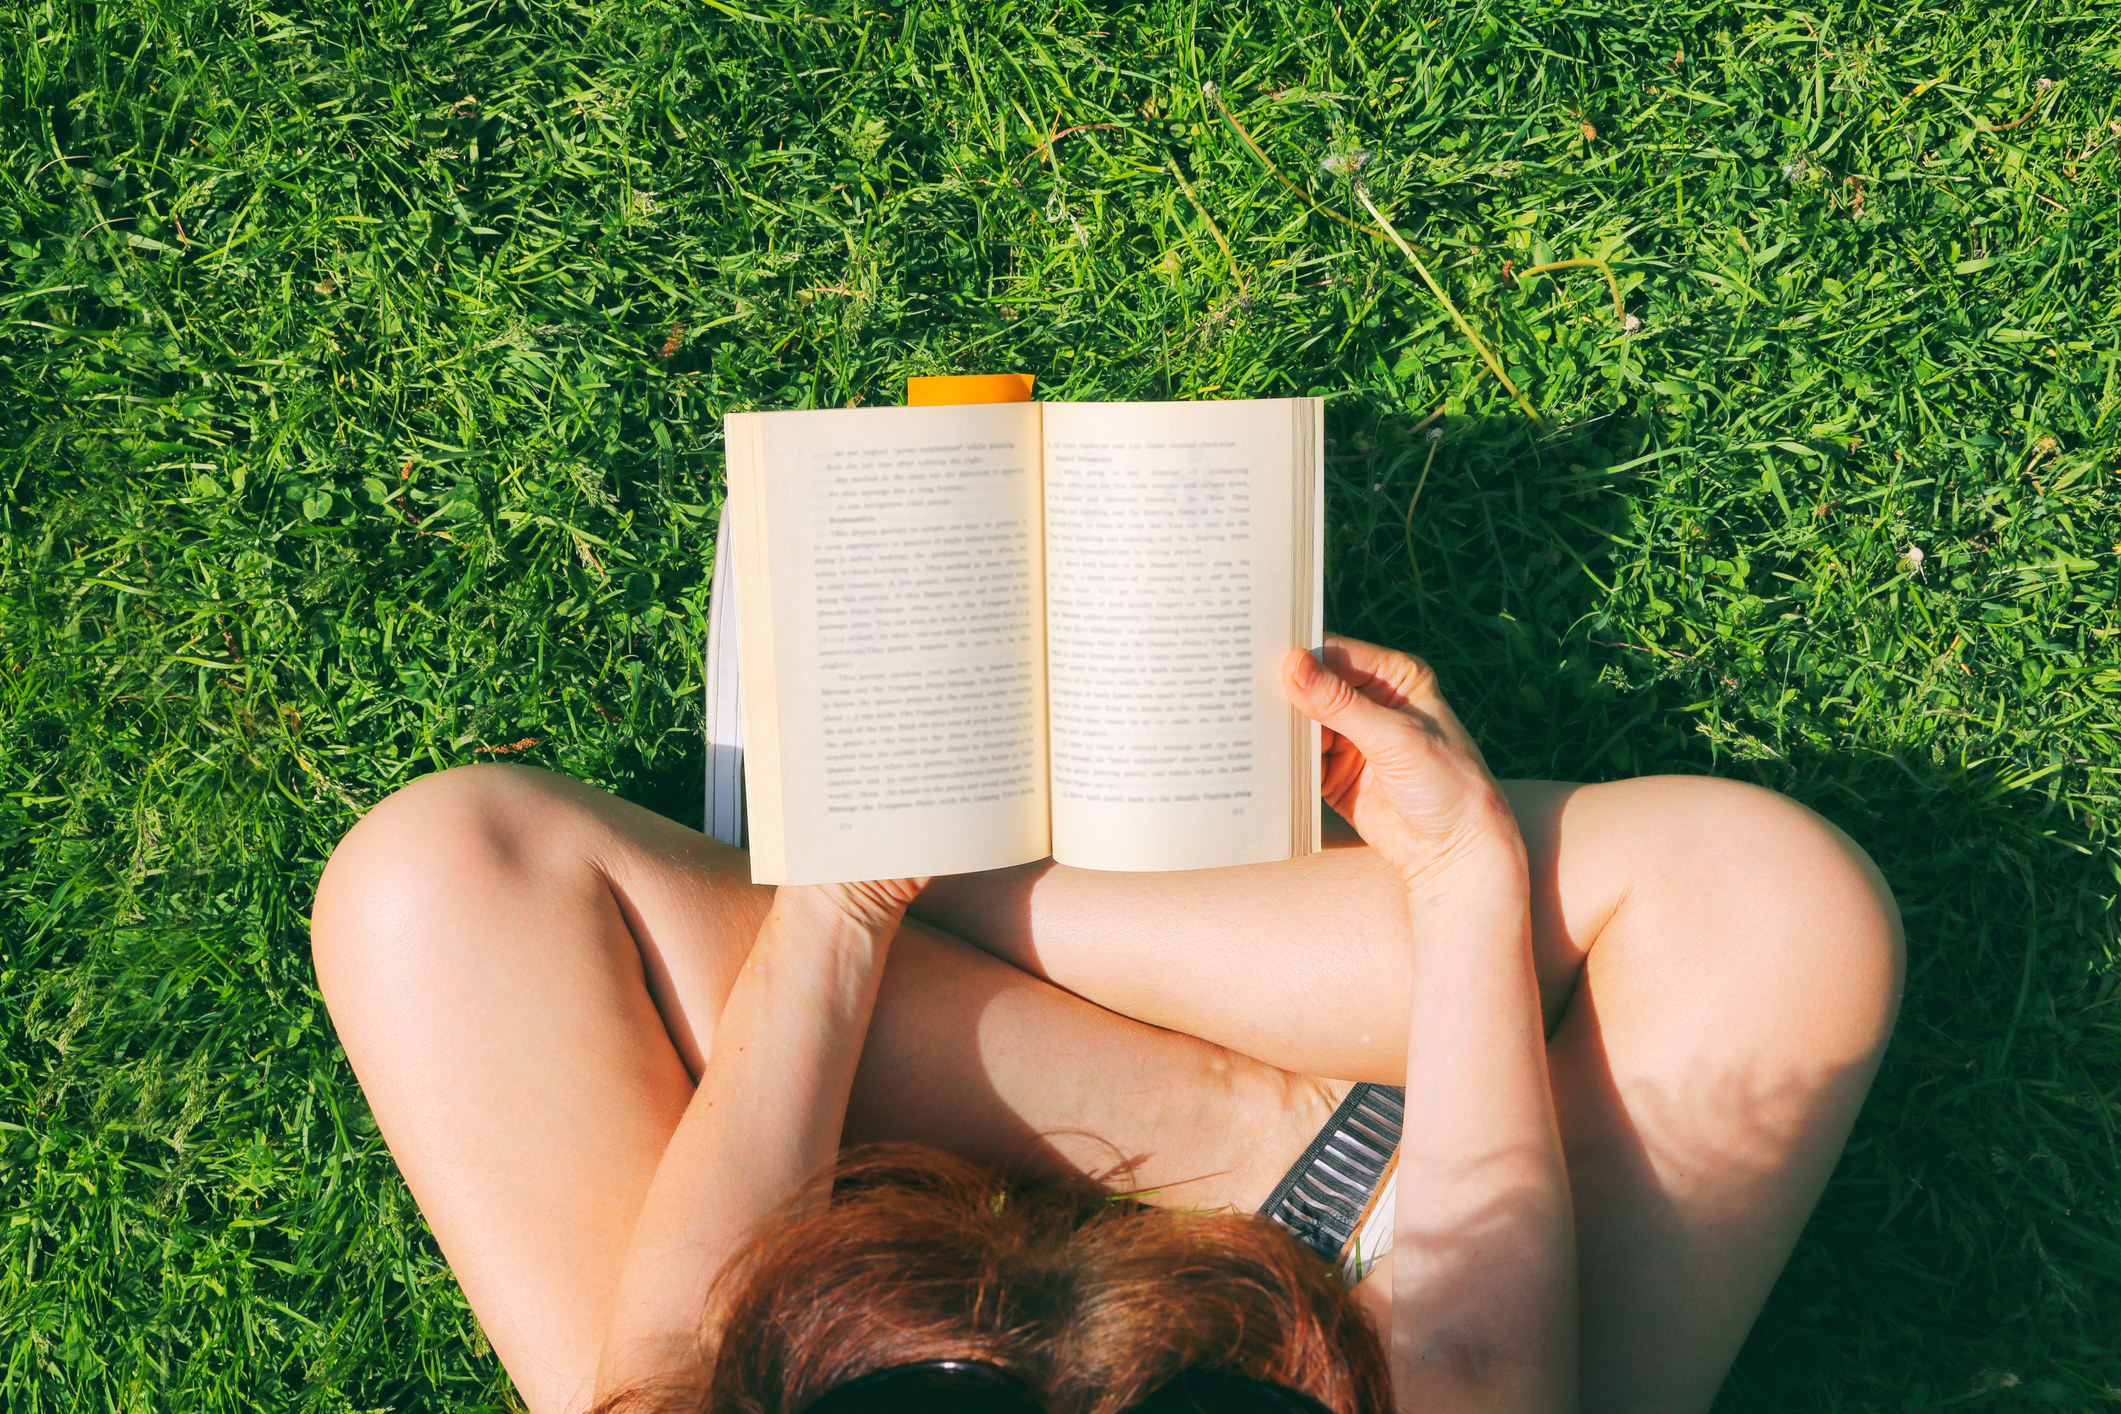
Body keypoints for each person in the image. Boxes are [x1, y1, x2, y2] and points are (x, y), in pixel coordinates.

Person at [311, 636, 1903, 1414]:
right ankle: (1282, 1125)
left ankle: (943, 853)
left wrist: (843, 910)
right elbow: (1476, 1364)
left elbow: (675, 1352)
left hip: (853, 1231)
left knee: (442, 878)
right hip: (1372, 1293)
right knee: (1772, 910)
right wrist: (1453, 875)